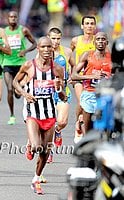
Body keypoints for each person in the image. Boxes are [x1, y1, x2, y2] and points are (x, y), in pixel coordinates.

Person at [13, 36, 66, 195]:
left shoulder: (57, 69)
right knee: (37, 146)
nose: (46, 50)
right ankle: (31, 145)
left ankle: (36, 179)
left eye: (49, 47)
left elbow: (62, 96)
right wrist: (24, 93)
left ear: (53, 49)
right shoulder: (29, 66)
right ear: (38, 49)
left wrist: (59, 89)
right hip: (33, 113)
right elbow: (15, 82)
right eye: (43, 47)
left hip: (50, 114)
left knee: (45, 151)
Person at [71, 32, 112, 134]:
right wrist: (92, 76)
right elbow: (74, 76)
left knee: (105, 128)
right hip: (89, 94)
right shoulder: (87, 55)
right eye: (98, 39)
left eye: (103, 39)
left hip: (104, 95)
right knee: (88, 129)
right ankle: (81, 126)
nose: (100, 41)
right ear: (94, 42)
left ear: (107, 42)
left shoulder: (111, 58)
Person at [3, 11, 37, 125]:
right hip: (7, 63)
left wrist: (25, 51)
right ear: (7, 19)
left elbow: (34, 43)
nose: (13, 19)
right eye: (10, 17)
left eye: (15, 17)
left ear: (17, 18)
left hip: (20, 64)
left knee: (18, 92)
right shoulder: (3, 32)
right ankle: (12, 115)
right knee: (9, 89)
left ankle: (19, 92)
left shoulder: (24, 30)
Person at [46, 27, 72, 163]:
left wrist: (72, 77)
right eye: (53, 38)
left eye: (58, 39)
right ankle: (49, 151)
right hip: (47, 93)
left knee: (62, 122)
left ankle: (58, 130)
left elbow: (74, 67)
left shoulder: (67, 52)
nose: (55, 41)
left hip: (63, 91)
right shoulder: (43, 53)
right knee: (49, 124)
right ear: (48, 37)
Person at [70, 15, 97, 143]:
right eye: (87, 23)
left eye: (92, 23)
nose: (89, 26)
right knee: (81, 102)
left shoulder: (98, 40)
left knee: (90, 106)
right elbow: (68, 56)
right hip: (79, 76)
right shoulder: (76, 40)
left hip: (93, 78)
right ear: (82, 26)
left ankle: (86, 124)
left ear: (95, 26)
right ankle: (78, 126)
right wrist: (70, 73)